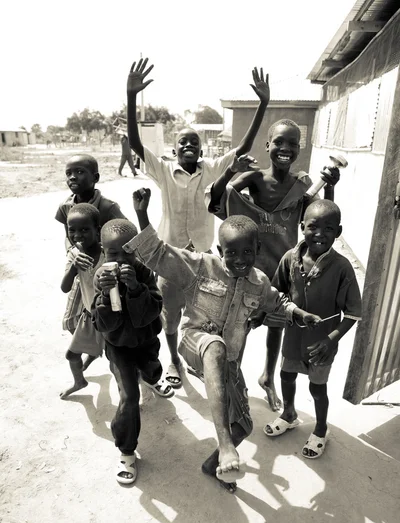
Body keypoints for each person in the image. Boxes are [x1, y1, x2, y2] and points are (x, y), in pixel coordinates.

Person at [122, 187, 321, 492]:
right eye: (231, 252)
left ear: (257, 249)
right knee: (214, 346)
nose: (239, 259)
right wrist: (141, 213)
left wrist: (299, 314)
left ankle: (215, 464)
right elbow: (158, 253)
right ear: (219, 249)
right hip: (195, 342)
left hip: (226, 362)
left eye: (247, 252)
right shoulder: (200, 266)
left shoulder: (259, 282)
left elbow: (276, 301)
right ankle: (225, 445)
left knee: (244, 425)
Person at [126, 56, 271, 391]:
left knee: (206, 315)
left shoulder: (212, 168)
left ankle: (195, 360)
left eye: (194, 141)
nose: (189, 144)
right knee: (172, 314)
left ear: (201, 148)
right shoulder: (163, 171)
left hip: (205, 259)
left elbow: (243, 148)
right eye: (183, 142)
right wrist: (132, 96)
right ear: (174, 150)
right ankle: (175, 360)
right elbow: (135, 144)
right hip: (171, 256)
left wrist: (263, 103)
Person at [207, 120, 340, 411]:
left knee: (277, 324)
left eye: (292, 143)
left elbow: (321, 217)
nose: (285, 148)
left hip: (283, 269)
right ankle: (232, 380)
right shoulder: (253, 179)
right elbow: (218, 199)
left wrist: (329, 188)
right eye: (279, 141)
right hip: (249, 265)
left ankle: (267, 376)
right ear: (268, 145)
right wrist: (231, 170)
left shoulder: (302, 187)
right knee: (238, 325)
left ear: (299, 149)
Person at [260, 200, 361, 458]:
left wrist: (331, 340)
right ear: (302, 226)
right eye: (313, 226)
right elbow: (277, 293)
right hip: (293, 335)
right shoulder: (289, 259)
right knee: (286, 376)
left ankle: (320, 428)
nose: (320, 233)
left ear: (338, 232)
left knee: (318, 389)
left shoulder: (341, 267)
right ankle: (289, 413)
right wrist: (294, 311)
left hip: (321, 342)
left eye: (329, 228)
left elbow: (352, 313)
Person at [91, 218, 174, 485]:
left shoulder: (144, 271)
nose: (123, 258)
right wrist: (106, 295)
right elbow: (103, 323)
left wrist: (136, 289)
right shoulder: (100, 278)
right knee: (129, 396)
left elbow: (153, 312)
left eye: (128, 250)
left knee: (152, 368)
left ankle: (151, 377)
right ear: (103, 252)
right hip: (119, 348)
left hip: (146, 342)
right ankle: (126, 450)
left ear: (136, 249)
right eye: (114, 253)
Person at [55, 154, 127, 334]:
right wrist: (72, 252)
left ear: (95, 178)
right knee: (73, 319)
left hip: (103, 266)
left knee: (107, 310)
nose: (72, 177)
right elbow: (67, 236)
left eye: (79, 172)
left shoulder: (107, 207)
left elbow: (128, 234)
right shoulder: (65, 206)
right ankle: (86, 346)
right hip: (79, 264)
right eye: (68, 173)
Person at [60, 204, 105, 399]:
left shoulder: (108, 252)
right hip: (89, 317)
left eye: (85, 229)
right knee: (71, 355)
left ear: (98, 229)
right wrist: (73, 268)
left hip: (112, 317)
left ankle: (130, 393)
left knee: (119, 362)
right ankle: (80, 381)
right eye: (72, 230)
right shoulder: (74, 253)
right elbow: (64, 287)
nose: (78, 235)